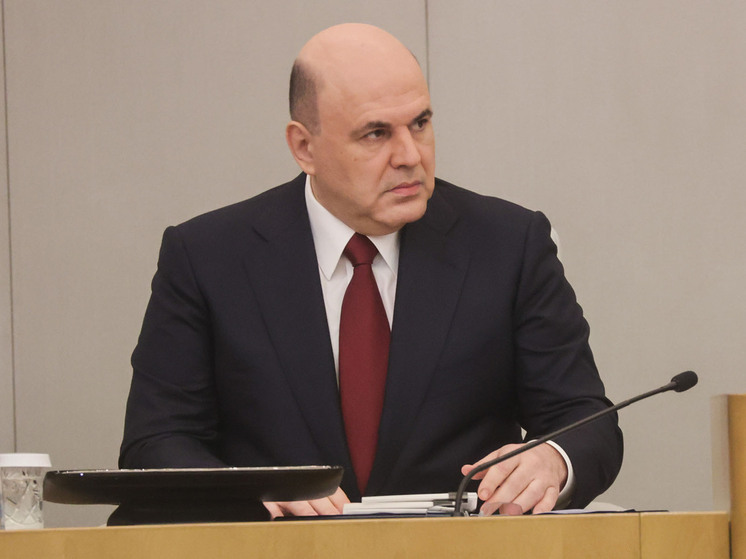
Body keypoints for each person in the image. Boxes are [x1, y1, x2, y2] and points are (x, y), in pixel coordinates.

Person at [119, 23, 623, 518]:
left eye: (420, 124)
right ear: (304, 147)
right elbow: (156, 443)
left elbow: (585, 419)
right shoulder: (208, 256)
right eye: (376, 133)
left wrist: (552, 460)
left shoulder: (508, 244)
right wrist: (248, 494)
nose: (410, 156)